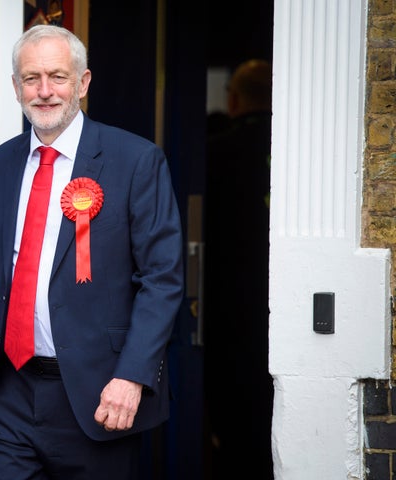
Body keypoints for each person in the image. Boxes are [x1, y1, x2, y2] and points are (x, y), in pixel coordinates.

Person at [0, 24, 183, 479]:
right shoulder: (0, 164)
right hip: (9, 394)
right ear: (15, 87)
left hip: (99, 399)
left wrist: (132, 376)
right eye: (31, 79)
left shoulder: (135, 160)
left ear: (82, 83)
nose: (44, 92)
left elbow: (162, 280)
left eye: (58, 77)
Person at [203, 59, 274, 479]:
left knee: (234, 415)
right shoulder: (297, 149)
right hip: (282, 299)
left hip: (226, 301)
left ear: (233, 100)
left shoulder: (216, 150)